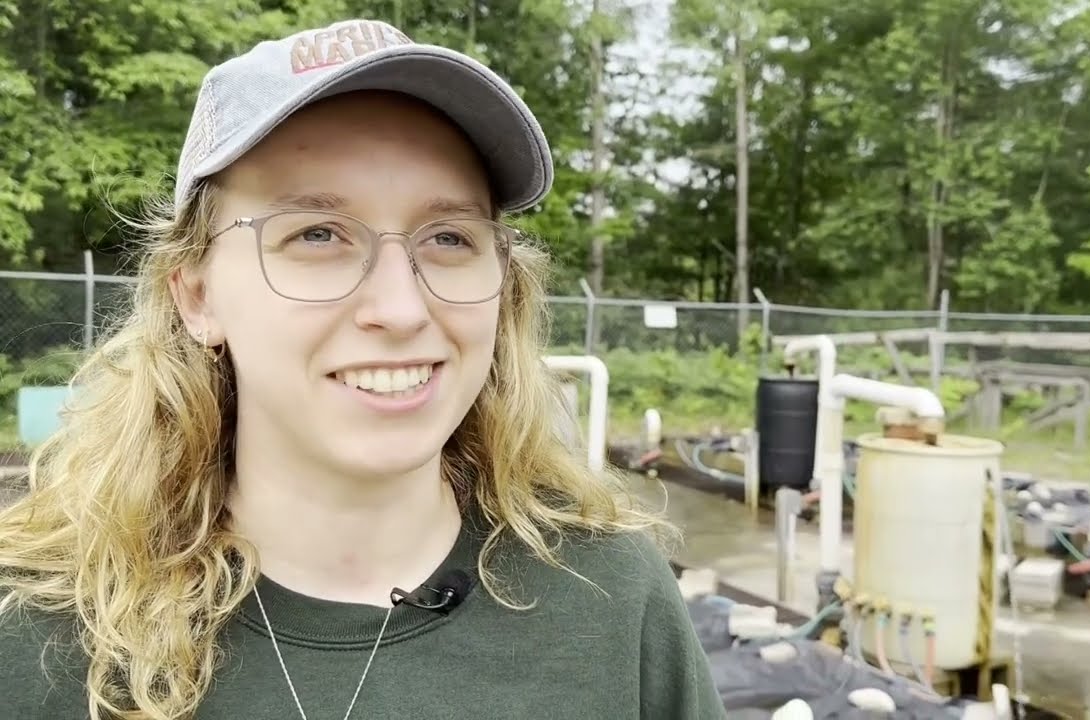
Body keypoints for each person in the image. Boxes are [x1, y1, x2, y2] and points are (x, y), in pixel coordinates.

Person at [0, 18, 726, 720]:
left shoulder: (609, 599)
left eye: (448, 236)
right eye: (317, 234)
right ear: (195, 297)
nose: (401, 308)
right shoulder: (35, 631)